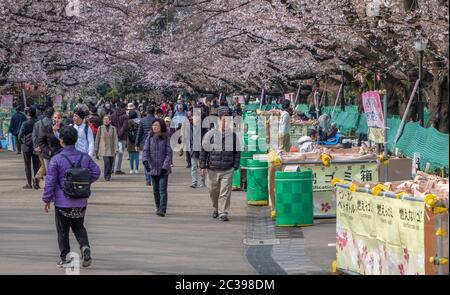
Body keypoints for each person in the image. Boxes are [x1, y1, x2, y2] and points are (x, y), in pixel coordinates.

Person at [42, 125, 100, 268]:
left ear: (61, 141)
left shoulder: (56, 159)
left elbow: (50, 181)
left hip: (62, 203)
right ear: (75, 139)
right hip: (81, 201)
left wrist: (46, 199)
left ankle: (65, 258)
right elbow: (96, 172)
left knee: (63, 231)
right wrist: (85, 183)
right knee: (79, 227)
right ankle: (85, 246)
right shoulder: (84, 157)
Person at [200, 108, 240, 221]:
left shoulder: (233, 136)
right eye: (223, 120)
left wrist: (235, 165)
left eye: (228, 121)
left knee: (225, 192)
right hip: (212, 168)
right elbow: (204, 151)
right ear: (218, 120)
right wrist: (202, 166)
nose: (225, 123)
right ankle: (216, 208)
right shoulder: (210, 134)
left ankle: (223, 212)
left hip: (227, 169)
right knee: (213, 191)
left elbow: (237, 152)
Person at [142, 119, 173, 217]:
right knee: (155, 191)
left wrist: (165, 166)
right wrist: (145, 162)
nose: (154, 127)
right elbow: (145, 150)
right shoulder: (149, 137)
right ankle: (158, 207)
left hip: (163, 169)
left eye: (157, 125)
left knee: (162, 190)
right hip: (153, 168)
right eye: (153, 125)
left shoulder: (166, 138)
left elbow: (169, 153)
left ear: (161, 127)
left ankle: (162, 209)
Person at [38, 112, 63, 189]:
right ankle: (50, 191)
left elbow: (65, 141)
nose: (57, 119)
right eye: (55, 117)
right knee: (50, 175)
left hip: (61, 155)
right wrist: (48, 151)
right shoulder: (46, 128)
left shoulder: (64, 128)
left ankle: (59, 191)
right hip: (49, 155)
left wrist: (57, 132)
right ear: (52, 118)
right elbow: (41, 142)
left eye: (59, 118)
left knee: (60, 174)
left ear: (61, 119)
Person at [18, 107, 40, 189]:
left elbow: (19, 136)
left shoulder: (25, 123)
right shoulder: (38, 123)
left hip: (26, 146)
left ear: (28, 114)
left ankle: (29, 184)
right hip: (36, 146)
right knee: (36, 165)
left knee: (27, 165)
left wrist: (22, 142)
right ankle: (36, 183)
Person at [94, 115, 118, 181]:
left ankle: (109, 174)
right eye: (104, 119)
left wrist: (116, 148)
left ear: (110, 121)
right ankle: (106, 176)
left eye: (107, 119)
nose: (106, 120)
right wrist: (95, 149)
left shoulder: (113, 128)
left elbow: (115, 139)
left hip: (111, 148)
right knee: (107, 162)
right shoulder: (100, 128)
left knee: (111, 162)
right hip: (103, 149)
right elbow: (97, 139)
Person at [110, 102, 129, 175]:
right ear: (124, 108)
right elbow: (124, 127)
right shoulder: (125, 116)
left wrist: (115, 135)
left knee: (113, 153)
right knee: (120, 153)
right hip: (122, 137)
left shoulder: (112, 116)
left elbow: (111, 127)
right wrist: (119, 135)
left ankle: (111, 168)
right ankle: (117, 169)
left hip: (113, 137)